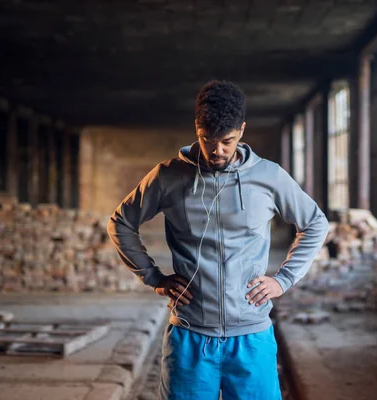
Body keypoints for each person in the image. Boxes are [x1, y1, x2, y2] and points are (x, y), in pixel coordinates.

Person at [107, 80, 328, 400]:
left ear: (242, 130)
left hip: (252, 337)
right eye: (207, 140)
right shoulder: (169, 176)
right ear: (197, 130)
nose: (217, 150)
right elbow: (121, 222)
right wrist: (154, 277)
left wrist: (284, 279)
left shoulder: (269, 176)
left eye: (227, 141)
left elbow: (315, 223)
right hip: (190, 337)